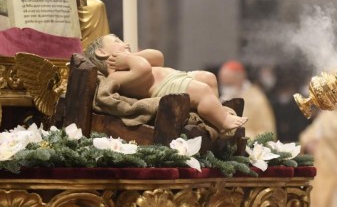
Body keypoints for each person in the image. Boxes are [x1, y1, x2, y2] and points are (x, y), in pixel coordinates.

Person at [84, 34, 247, 133]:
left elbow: (158, 57)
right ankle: (223, 122)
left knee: (208, 77)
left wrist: (131, 55)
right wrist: (129, 59)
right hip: (167, 88)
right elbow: (144, 69)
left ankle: (212, 114)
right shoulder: (115, 76)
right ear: (102, 52)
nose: (124, 43)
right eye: (117, 40)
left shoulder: (133, 60)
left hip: (177, 77)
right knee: (203, 90)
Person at [218, 60, 276, 139]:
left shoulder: (257, 99)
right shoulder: (223, 97)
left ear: (241, 79)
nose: (226, 88)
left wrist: (239, 135)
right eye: (224, 84)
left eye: (229, 84)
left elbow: (268, 132)